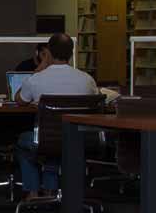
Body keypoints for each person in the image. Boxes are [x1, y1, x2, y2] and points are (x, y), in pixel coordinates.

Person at [12, 33, 100, 195]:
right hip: (79, 139)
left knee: (25, 142)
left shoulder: (37, 79)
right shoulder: (87, 79)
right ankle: (51, 189)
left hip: (46, 139)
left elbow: (19, 99)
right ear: (72, 53)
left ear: (49, 53)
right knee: (57, 144)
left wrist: (39, 69)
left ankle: (33, 193)